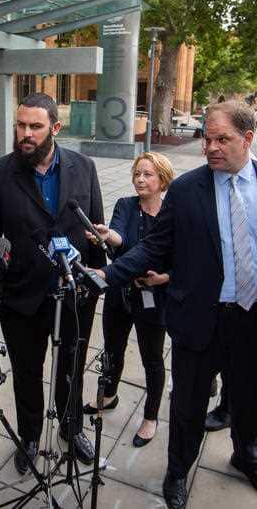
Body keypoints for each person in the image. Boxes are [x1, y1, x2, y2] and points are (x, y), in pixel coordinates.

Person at [95, 101, 257, 507]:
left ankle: (247, 457)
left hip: (254, 320)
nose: (210, 147)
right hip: (198, 321)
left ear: (247, 138)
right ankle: (177, 472)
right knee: (188, 407)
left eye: (222, 139)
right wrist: (108, 274)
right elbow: (156, 246)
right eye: (206, 139)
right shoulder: (188, 189)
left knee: (249, 402)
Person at [0, 92, 106, 474]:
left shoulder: (84, 167)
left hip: (73, 293)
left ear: (55, 128)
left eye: (35, 126)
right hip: (21, 297)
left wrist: (96, 277)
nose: (25, 134)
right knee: (27, 372)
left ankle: (72, 428)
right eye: (21, 125)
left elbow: (94, 229)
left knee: (72, 366)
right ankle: (30, 435)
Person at [83, 151, 174, 447]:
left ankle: (150, 417)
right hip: (120, 293)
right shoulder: (125, 205)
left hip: (153, 297)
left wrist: (165, 278)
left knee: (152, 359)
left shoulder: (172, 213)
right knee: (113, 350)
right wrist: (108, 235)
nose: (140, 179)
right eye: (137, 174)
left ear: (163, 180)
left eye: (147, 174)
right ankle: (108, 395)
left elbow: (182, 258)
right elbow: (121, 238)